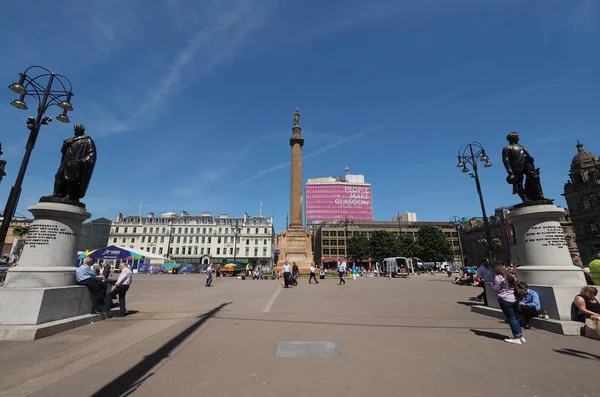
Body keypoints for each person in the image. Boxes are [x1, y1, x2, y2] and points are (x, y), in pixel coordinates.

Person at [492, 265, 525, 344]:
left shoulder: (499, 277)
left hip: (505, 299)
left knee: (511, 319)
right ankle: (520, 336)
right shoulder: (511, 276)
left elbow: (496, 288)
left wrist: (492, 286)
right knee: (515, 318)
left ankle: (516, 337)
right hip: (514, 299)